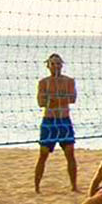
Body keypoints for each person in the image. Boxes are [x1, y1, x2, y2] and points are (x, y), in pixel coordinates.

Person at [35, 53, 78, 193]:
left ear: (62, 65)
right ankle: (37, 187)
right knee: (43, 154)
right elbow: (41, 103)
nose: (56, 66)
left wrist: (53, 99)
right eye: (53, 64)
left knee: (70, 154)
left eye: (58, 63)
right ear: (48, 66)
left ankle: (74, 186)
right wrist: (58, 99)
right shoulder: (43, 82)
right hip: (49, 122)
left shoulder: (69, 81)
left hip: (64, 121)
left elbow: (72, 99)